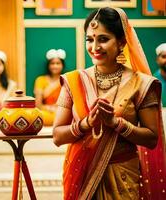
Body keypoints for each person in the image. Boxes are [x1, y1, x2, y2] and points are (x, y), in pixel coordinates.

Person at [53, 7, 166, 200]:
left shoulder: (142, 84)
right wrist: (86, 123)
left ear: (122, 42)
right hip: (81, 175)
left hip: (122, 178)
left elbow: (151, 138)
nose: (94, 47)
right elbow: (57, 136)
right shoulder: (74, 82)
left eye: (103, 39)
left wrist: (116, 123)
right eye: (89, 39)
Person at [34, 49, 65, 126]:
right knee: (37, 116)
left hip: (62, 112)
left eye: (58, 63)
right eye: (52, 63)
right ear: (48, 65)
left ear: (62, 65)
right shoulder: (40, 80)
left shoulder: (66, 80)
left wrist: (58, 109)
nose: (55, 66)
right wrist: (49, 108)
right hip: (46, 112)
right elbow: (38, 105)